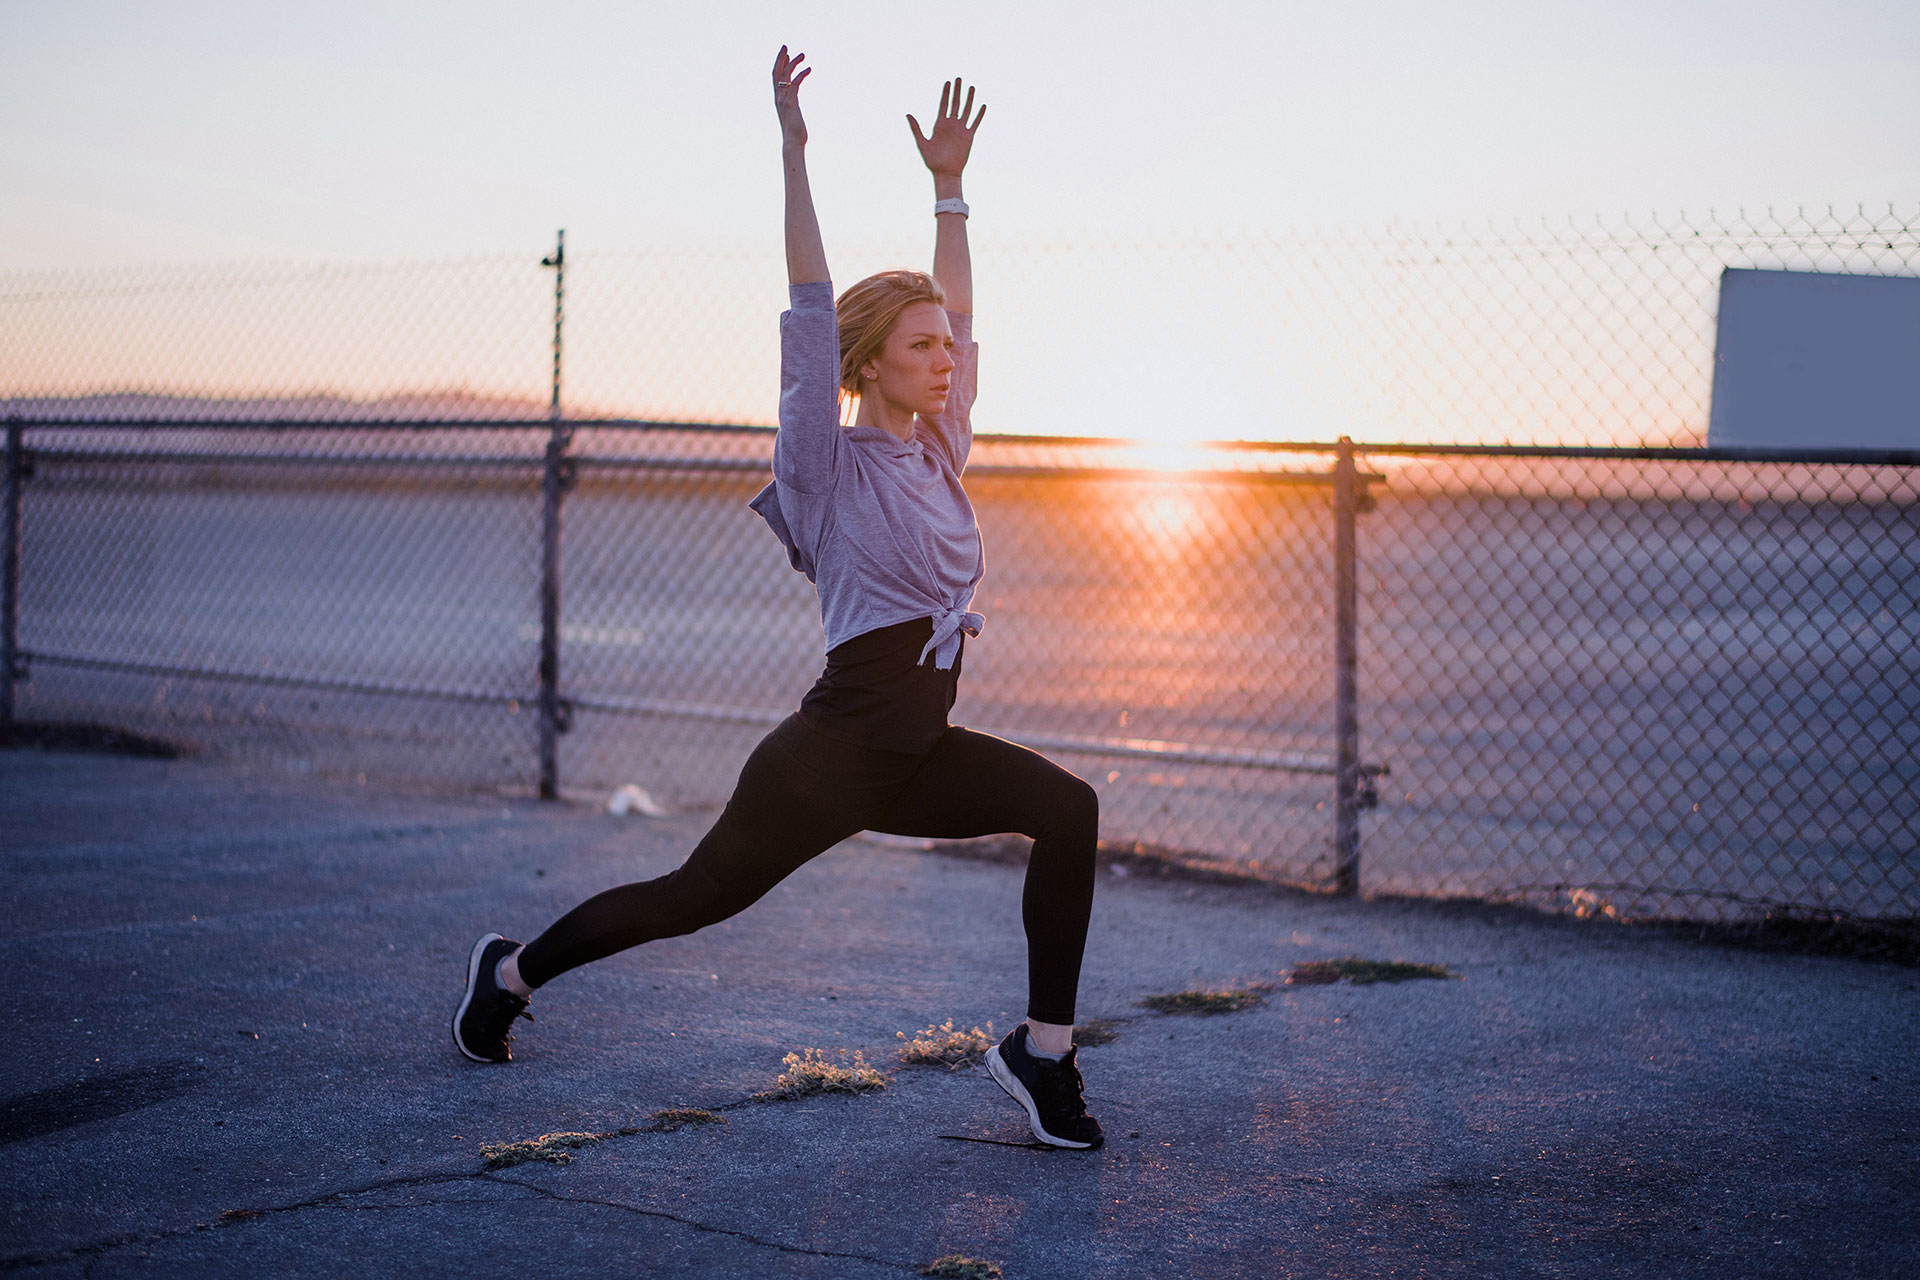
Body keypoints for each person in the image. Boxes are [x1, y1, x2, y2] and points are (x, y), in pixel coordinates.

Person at [452, 47, 1103, 1150]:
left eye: (949, 345)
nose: (946, 358)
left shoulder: (940, 452)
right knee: (689, 898)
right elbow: (809, 304)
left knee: (1069, 807)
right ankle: (510, 971)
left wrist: (950, 190)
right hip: (828, 758)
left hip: (915, 751)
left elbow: (966, 301)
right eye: (922, 345)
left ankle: (1043, 1056)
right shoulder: (824, 467)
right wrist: (795, 151)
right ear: (871, 362)